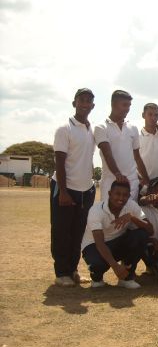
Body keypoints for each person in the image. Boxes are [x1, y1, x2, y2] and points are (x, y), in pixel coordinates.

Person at [50, 88, 96, 287]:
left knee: (78, 232)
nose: (85, 104)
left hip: (86, 190)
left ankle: (73, 270)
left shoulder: (91, 129)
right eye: (81, 100)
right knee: (62, 231)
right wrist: (63, 191)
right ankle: (61, 273)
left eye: (88, 101)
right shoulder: (64, 129)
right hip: (66, 188)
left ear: (93, 106)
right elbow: (59, 162)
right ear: (74, 103)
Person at [81, 180, 154, 289]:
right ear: (110, 194)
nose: (121, 198)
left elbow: (150, 230)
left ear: (129, 196)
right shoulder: (96, 210)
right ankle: (97, 278)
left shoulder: (131, 205)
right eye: (117, 194)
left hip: (117, 242)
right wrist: (115, 267)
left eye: (125, 195)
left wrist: (132, 217)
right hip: (94, 246)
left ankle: (126, 278)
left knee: (141, 235)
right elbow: (100, 243)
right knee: (97, 265)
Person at [94, 90, 150, 201]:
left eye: (129, 105)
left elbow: (137, 157)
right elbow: (107, 154)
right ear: (113, 104)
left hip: (131, 184)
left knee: (131, 212)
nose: (127, 109)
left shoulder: (133, 128)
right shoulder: (101, 127)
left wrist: (146, 179)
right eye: (124, 105)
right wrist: (118, 174)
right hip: (110, 183)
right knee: (109, 212)